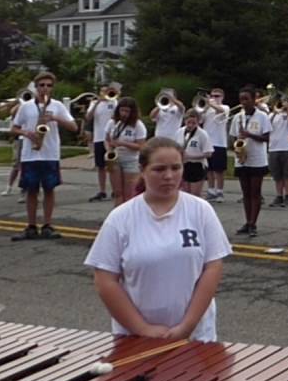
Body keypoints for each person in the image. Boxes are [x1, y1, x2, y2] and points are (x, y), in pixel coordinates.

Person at [85, 138, 231, 342]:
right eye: (159, 169)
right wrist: (142, 328)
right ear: (142, 170)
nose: (169, 176)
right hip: (136, 337)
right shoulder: (120, 218)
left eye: (176, 168)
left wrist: (187, 326)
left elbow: (212, 268)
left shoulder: (201, 210)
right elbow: (105, 280)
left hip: (196, 335)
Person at [10, 72, 78, 241]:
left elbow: (74, 127)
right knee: (31, 190)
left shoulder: (57, 105)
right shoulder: (26, 106)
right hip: (30, 154)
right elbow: (14, 128)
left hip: (50, 153)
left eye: (49, 85)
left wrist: (54, 118)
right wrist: (27, 133)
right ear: (36, 87)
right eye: (42, 85)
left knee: (49, 189)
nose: (45, 88)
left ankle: (47, 225)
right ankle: (31, 226)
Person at [228, 87, 271, 237]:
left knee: (255, 192)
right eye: (242, 99)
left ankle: (253, 223)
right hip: (242, 160)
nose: (244, 102)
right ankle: (247, 222)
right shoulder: (237, 117)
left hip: (257, 159)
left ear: (253, 100)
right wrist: (238, 143)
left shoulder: (262, 117)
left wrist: (249, 135)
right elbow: (233, 138)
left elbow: (267, 138)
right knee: (246, 193)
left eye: (247, 99)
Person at [105, 97, 147, 206]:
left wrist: (122, 143)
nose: (124, 113)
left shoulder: (138, 125)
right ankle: (117, 219)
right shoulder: (112, 123)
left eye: (127, 111)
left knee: (129, 194)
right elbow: (107, 139)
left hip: (131, 161)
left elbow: (141, 146)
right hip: (115, 159)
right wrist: (109, 150)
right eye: (122, 110)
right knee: (117, 193)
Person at [86, 84, 120, 202]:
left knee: (112, 165)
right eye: (103, 91)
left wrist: (113, 98)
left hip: (111, 138)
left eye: (107, 91)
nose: (105, 93)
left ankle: (116, 190)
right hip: (98, 137)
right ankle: (102, 191)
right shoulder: (94, 103)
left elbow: (118, 116)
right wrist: (96, 103)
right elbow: (88, 117)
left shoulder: (114, 102)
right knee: (100, 166)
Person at [200, 88, 230, 202]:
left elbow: (221, 112)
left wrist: (210, 103)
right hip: (207, 142)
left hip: (219, 143)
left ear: (222, 97)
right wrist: (204, 108)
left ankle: (220, 192)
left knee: (219, 170)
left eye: (217, 96)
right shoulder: (207, 109)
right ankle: (211, 191)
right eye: (212, 95)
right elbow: (200, 121)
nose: (214, 98)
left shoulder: (225, 107)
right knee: (209, 169)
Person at [267, 98, 288, 208]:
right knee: (277, 175)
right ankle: (279, 196)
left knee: (287, 175)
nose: (281, 104)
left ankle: (287, 196)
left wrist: (287, 109)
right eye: (280, 102)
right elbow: (267, 127)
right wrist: (274, 113)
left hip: (287, 147)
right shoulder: (272, 115)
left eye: (284, 102)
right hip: (274, 148)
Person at [180, 109, 212, 198]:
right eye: (188, 122)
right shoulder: (180, 132)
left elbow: (208, 153)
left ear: (198, 122)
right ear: (184, 121)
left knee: (195, 195)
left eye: (193, 123)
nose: (190, 125)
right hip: (184, 165)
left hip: (197, 165)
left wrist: (191, 156)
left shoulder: (202, 134)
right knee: (185, 195)